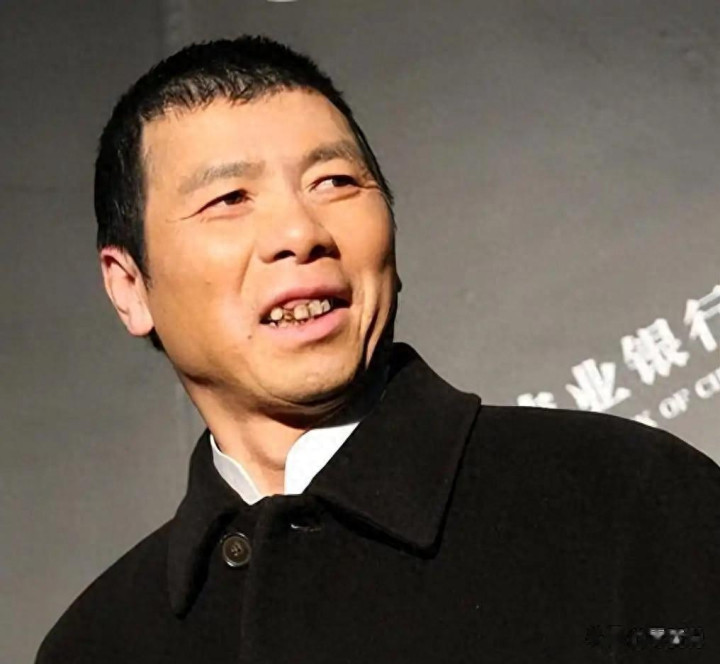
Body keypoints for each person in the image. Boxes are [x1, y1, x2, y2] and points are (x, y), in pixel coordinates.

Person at [37, 36, 720, 663]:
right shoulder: (96, 641)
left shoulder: (627, 501)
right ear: (130, 288)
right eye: (230, 198)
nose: (300, 232)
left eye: (335, 182)